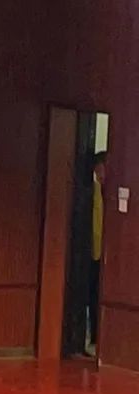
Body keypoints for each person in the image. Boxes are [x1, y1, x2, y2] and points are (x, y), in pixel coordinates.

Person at [90, 151, 106, 356]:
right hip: (93, 252)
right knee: (92, 295)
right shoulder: (91, 191)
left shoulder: (110, 192)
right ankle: (94, 337)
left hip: (106, 254)